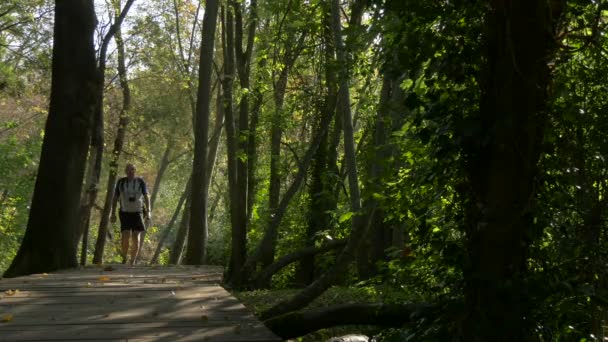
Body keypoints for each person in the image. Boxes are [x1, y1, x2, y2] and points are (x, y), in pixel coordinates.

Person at [110, 163, 151, 265]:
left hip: (138, 212)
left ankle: (132, 261)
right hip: (124, 212)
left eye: (132, 169)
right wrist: (113, 213)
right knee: (125, 236)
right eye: (128, 170)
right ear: (125, 171)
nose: (130, 171)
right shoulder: (121, 182)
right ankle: (124, 257)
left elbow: (146, 196)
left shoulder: (140, 182)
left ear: (135, 170)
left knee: (136, 237)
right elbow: (115, 198)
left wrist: (149, 211)